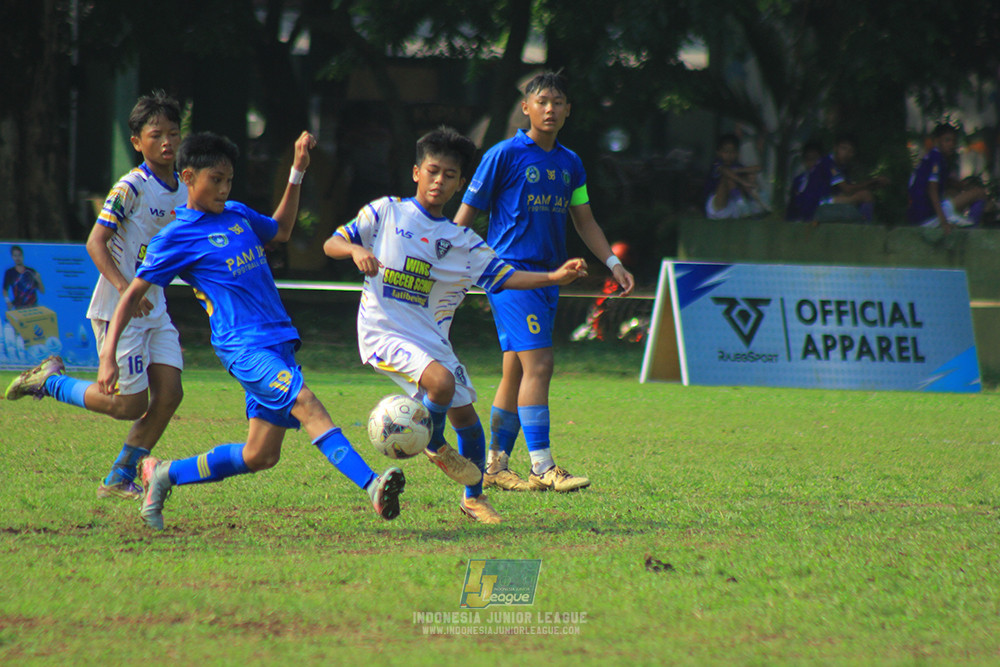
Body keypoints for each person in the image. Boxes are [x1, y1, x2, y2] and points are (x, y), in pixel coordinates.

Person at [92, 130, 405, 531]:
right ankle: (372, 485)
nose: (223, 189)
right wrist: (107, 357)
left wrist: (296, 172)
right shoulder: (175, 237)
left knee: (261, 455)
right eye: (215, 180)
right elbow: (133, 293)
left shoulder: (237, 213)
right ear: (187, 177)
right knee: (306, 402)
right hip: (244, 347)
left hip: (278, 341)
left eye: (228, 180)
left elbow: (281, 231)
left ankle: (165, 474)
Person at [325, 126, 588, 522]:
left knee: (468, 420)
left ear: (461, 183)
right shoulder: (385, 211)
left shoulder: (462, 240)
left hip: (431, 340)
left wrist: (552, 278)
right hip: (383, 331)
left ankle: (474, 497)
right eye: (432, 171)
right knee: (442, 384)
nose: (439, 180)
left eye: (449, 175)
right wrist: (354, 248)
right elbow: (331, 243)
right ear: (417, 172)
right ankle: (431, 441)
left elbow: (505, 276)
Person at [453, 71, 635, 493]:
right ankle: (542, 466)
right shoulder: (504, 154)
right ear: (527, 108)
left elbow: (584, 219)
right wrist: (448, 262)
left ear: (568, 110)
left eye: (557, 102)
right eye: (542, 102)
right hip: (511, 274)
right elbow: (466, 216)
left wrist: (612, 262)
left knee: (515, 371)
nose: (550, 109)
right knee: (542, 364)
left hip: (549, 278)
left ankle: (495, 466)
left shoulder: (570, 163)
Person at [2, 92, 188, 501]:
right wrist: (126, 290)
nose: (167, 142)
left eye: (173, 133)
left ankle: (120, 476)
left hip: (155, 307)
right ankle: (49, 382)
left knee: (170, 394)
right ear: (137, 142)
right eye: (156, 135)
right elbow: (95, 243)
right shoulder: (131, 188)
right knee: (129, 404)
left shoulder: (184, 188)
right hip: (119, 307)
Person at [907, 123, 990, 232]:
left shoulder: (930, 158)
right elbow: (932, 189)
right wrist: (943, 221)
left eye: (954, 141)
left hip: (916, 216)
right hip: (928, 215)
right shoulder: (936, 159)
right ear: (937, 141)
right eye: (947, 140)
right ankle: (972, 230)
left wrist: (961, 185)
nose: (952, 144)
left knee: (954, 192)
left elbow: (946, 182)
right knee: (979, 193)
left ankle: (961, 221)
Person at [809, 134, 888, 224]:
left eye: (851, 151)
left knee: (863, 195)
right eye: (844, 148)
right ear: (835, 148)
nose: (846, 154)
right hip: (819, 203)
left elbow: (851, 190)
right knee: (865, 196)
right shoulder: (828, 163)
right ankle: (863, 227)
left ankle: (862, 225)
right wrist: (873, 181)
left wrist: (874, 185)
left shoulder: (842, 167)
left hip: (829, 200)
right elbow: (847, 189)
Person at [703, 133, 767, 220]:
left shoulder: (737, 166)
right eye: (726, 152)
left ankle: (758, 205)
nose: (729, 155)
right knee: (728, 177)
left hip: (733, 205)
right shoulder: (716, 164)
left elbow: (758, 168)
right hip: (718, 205)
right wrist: (742, 181)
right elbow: (725, 171)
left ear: (737, 153)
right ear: (718, 153)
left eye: (732, 152)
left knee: (750, 176)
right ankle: (741, 203)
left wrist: (738, 171)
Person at [785, 141, 822, 222]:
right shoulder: (798, 181)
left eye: (815, 159)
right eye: (808, 159)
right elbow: (791, 207)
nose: (812, 163)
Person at [3, 245, 45, 310]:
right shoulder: (9, 273)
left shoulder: (31, 271)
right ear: (12, 257)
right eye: (15, 256)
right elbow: (5, 290)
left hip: (34, 307)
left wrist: (39, 280)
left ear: (22, 256)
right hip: (19, 308)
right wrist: (8, 302)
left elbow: (42, 291)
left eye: (19, 255)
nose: (17, 258)